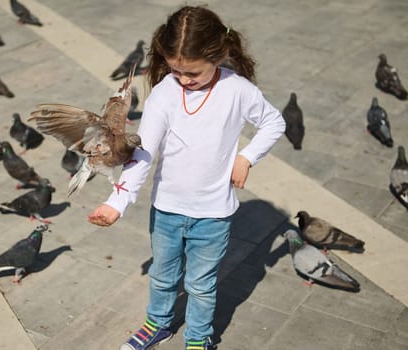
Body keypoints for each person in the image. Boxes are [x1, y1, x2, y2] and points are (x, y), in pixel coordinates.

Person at [88, 5, 285, 350]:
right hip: (166, 210)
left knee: (201, 284)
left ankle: (198, 337)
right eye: (176, 70)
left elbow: (274, 123)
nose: (184, 79)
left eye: (192, 72)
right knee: (162, 276)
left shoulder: (238, 90)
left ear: (217, 55)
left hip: (213, 215)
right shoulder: (165, 93)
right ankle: (158, 324)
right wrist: (115, 202)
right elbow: (143, 153)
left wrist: (246, 156)